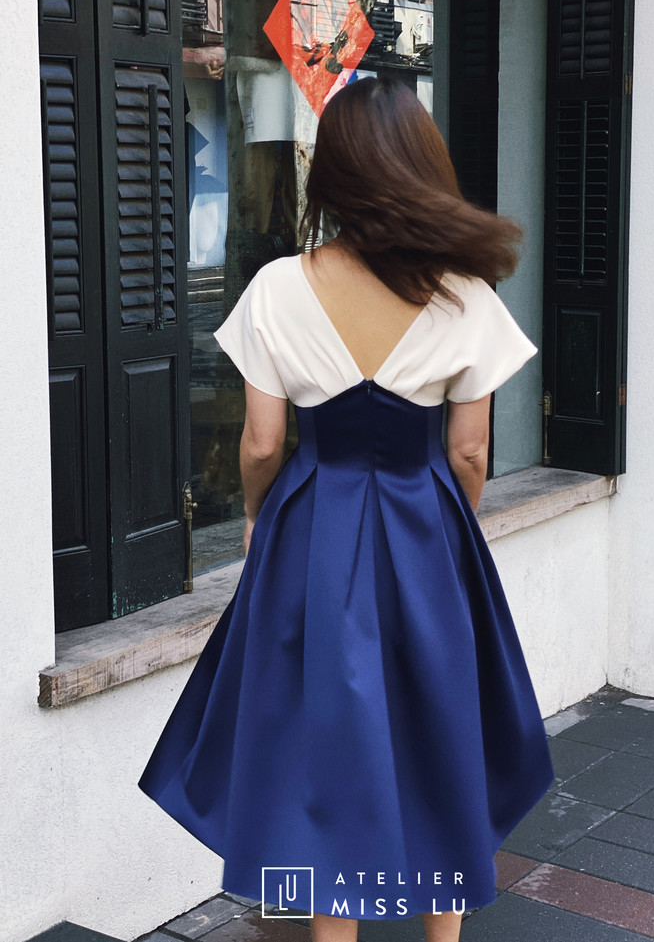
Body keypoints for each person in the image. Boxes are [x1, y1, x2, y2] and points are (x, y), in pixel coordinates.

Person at [138, 76, 555, 942]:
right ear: (421, 167)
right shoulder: (464, 293)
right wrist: (448, 528)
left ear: (331, 173)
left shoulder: (279, 287)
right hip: (425, 523)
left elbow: (262, 442)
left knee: (324, 739)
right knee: (439, 728)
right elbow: (469, 452)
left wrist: (259, 517)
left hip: (312, 526)